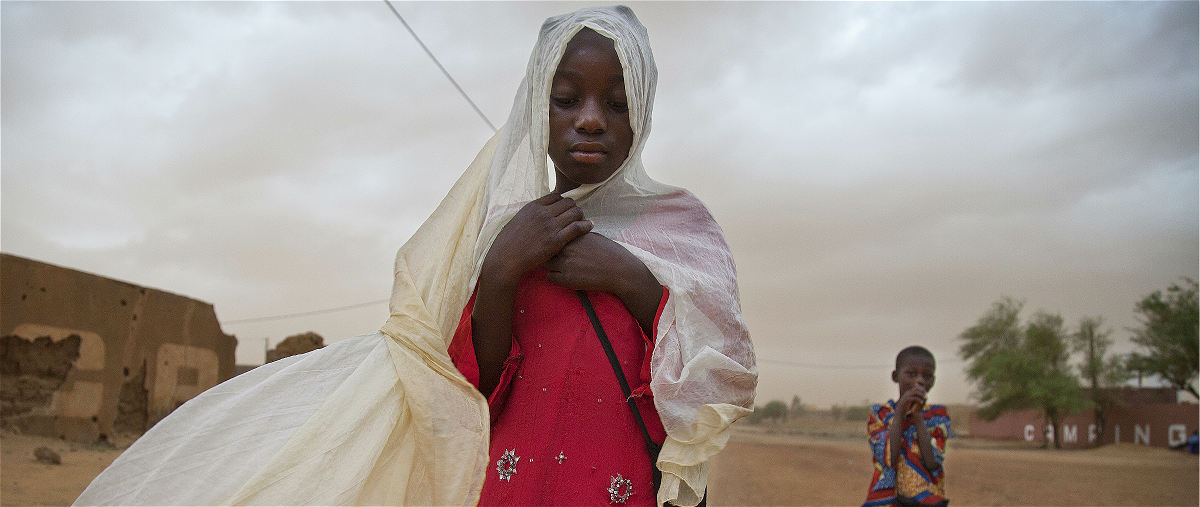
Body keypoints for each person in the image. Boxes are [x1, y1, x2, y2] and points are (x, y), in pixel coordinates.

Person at [74, 6, 755, 507]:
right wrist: (498, 274)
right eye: (566, 98)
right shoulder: (502, 232)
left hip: (618, 488)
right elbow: (465, 388)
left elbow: (718, 382)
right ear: (535, 114)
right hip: (506, 486)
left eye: (616, 100)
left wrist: (634, 281)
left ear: (643, 114)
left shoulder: (680, 234)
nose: (589, 118)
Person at [863, 346, 950, 507]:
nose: (920, 381)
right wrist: (901, 411)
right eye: (911, 374)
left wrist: (917, 416)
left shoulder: (938, 416)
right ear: (896, 376)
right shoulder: (880, 414)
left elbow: (932, 462)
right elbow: (889, 458)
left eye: (927, 376)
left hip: (926, 501)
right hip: (888, 501)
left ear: (933, 381)